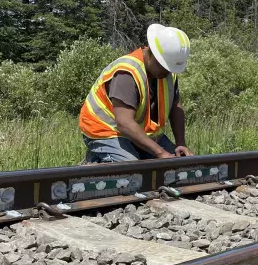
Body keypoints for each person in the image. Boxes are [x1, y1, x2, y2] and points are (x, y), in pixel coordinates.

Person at [79, 23, 195, 163]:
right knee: (133, 171)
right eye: (164, 66)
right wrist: (160, 152)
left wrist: (180, 143)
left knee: (175, 165)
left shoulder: (168, 73)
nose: (167, 72)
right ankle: (95, 162)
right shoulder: (127, 73)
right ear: (151, 54)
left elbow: (176, 107)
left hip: (139, 131)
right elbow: (124, 122)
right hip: (105, 130)